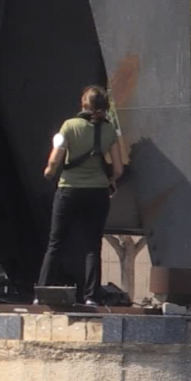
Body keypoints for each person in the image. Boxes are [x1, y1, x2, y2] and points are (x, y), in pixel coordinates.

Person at [38, 86, 124, 306]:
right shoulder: (108, 131)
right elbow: (118, 169)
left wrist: (48, 173)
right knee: (92, 246)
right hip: (97, 193)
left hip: (69, 189)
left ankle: (41, 295)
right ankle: (90, 297)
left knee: (55, 243)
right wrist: (110, 181)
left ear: (84, 104)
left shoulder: (69, 126)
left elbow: (54, 161)